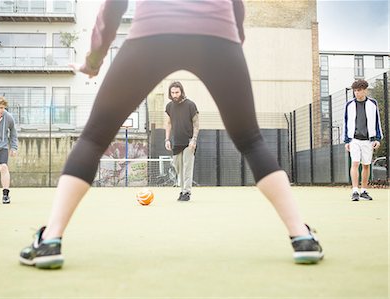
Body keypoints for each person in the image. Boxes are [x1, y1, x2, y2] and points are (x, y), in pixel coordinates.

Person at [19, 0, 323, 269]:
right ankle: (301, 235)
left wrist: (93, 61)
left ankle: (50, 240)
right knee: (252, 140)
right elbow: (236, 7)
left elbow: (114, 5)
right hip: (218, 38)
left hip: (152, 35)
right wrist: (233, 46)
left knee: (93, 138)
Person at [344, 79, 383, 201]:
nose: (357, 93)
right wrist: (346, 141)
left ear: (365, 90)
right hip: (354, 139)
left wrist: (377, 138)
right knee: (355, 163)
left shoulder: (373, 104)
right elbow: (346, 122)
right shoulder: (349, 105)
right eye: (355, 91)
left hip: (368, 140)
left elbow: (377, 122)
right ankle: (355, 190)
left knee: (366, 165)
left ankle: (364, 191)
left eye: (359, 90)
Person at [165, 81, 199, 201]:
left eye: (177, 92)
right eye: (172, 92)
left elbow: (196, 124)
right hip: (176, 142)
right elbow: (168, 123)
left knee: (187, 167)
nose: (175, 95)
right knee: (178, 167)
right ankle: (182, 190)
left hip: (189, 142)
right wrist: (167, 139)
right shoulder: (169, 106)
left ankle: (186, 192)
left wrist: (194, 140)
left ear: (181, 92)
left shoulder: (190, 105)